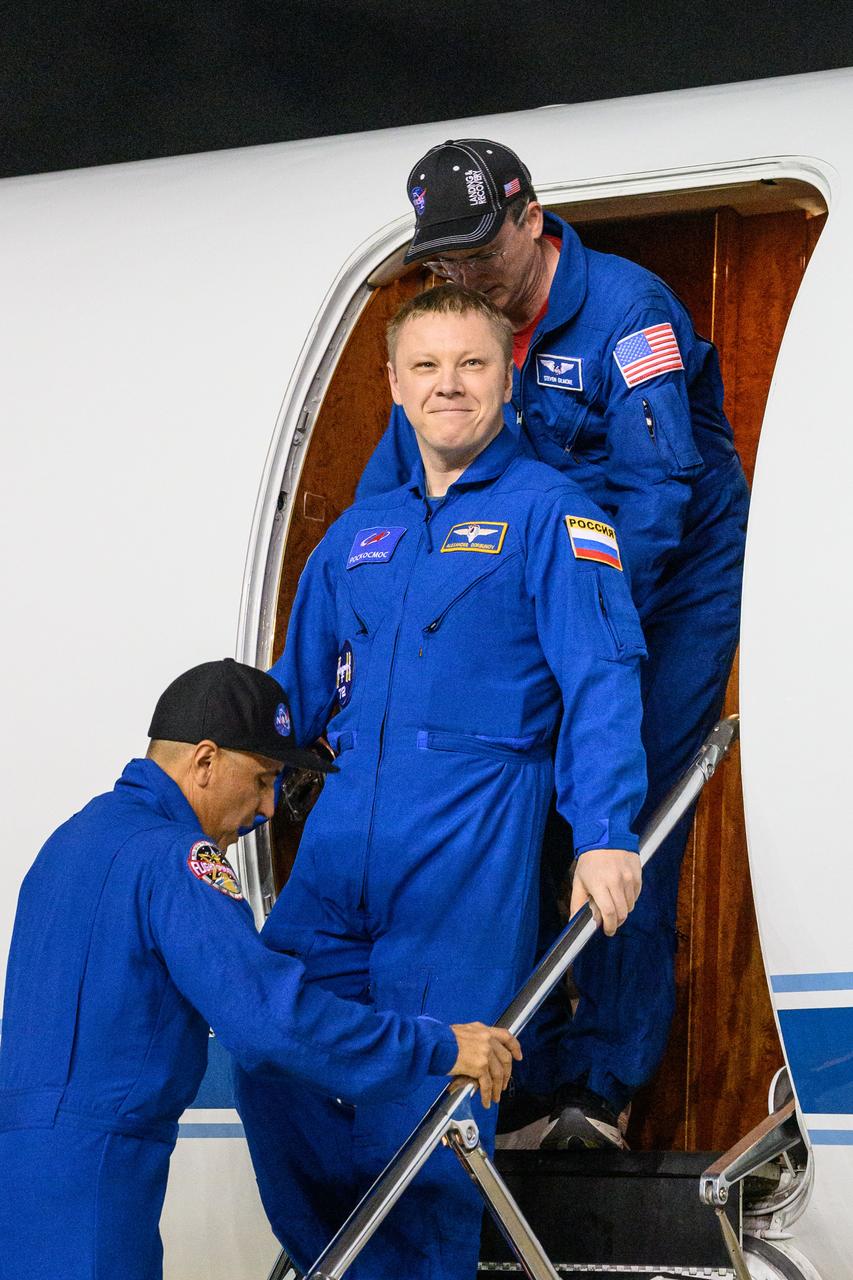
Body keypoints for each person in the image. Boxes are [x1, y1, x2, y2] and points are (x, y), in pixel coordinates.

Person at [235, 285, 647, 1280]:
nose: (447, 385)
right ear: (393, 384)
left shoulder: (557, 517)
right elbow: (287, 701)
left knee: (424, 1106)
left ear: (507, 377)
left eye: (470, 364)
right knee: (265, 1050)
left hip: (462, 856)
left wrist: (603, 828)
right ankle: (336, 1260)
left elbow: (600, 676)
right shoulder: (356, 538)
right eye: (426, 366)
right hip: (336, 855)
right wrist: (199, 816)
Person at [358, 139, 750, 1150]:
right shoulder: (464, 343)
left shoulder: (628, 314)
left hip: (663, 586)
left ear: (531, 218)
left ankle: (598, 1086)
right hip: (551, 586)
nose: (463, 276)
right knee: (512, 803)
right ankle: (524, 1067)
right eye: (442, 262)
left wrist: (582, 648)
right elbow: (393, 489)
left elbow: (657, 502)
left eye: (479, 248)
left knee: (621, 807)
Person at [0, 658, 519, 1280]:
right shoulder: (176, 861)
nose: (271, 807)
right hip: (101, 1184)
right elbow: (272, 1024)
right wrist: (438, 1045)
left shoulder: (68, 843)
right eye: (264, 777)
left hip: (20, 1176)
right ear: (205, 762)